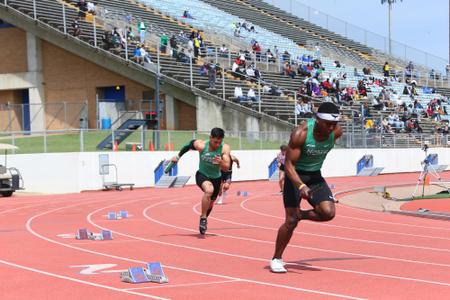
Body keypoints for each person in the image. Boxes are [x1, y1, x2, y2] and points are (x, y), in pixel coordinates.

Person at [270, 102, 343, 273]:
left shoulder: (336, 132)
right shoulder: (300, 133)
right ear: (317, 120)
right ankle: (276, 258)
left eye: (335, 124)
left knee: (328, 213)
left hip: (315, 176)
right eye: (328, 124)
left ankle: (299, 215)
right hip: (295, 175)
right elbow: (288, 164)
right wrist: (300, 185)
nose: (332, 128)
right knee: (290, 221)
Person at [170, 128, 231, 235]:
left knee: (211, 202)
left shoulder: (224, 149)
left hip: (216, 177)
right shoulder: (201, 145)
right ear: (210, 138)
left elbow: (226, 167)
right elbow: (188, 145)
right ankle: (203, 218)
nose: (217, 144)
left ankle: (204, 218)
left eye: (219, 142)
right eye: (215, 142)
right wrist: (178, 156)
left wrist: (220, 162)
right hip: (202, 174)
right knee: (209, 190)